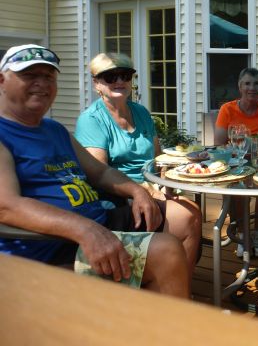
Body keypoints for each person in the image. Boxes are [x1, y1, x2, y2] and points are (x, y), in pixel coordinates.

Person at [0, 44, 197, 297]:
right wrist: (85, 230)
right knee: (166, 251)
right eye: (29, 75)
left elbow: (100, 172)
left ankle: (163, 303)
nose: (41, 83)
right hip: (50, 247)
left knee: (183, 218)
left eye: (48, 76)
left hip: (96, 222)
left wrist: (137, 191)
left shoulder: (54, 130)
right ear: (3, 80)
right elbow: (6, 205)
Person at [74, 52, 202, 273]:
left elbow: (157, 158)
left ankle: (174, 280)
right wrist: (147, 192)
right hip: (119, 197)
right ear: (96, 83)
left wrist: (167, 185)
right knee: (189, 215)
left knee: (191, 210)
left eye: (125, 75)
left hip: (151, 188)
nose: (119, 81)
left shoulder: (141, 112)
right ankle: (175, 285)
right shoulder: (92, 120)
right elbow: (100, 174)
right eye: (110, 77)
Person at [214, 67, 258, 257]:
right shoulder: (227, 109)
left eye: (256, 84)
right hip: (236, 162)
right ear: (240, 87)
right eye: (247, 83)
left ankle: (257, 233)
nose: (252, 88)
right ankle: (242, 233)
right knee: (237, 186)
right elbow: (219, 143)